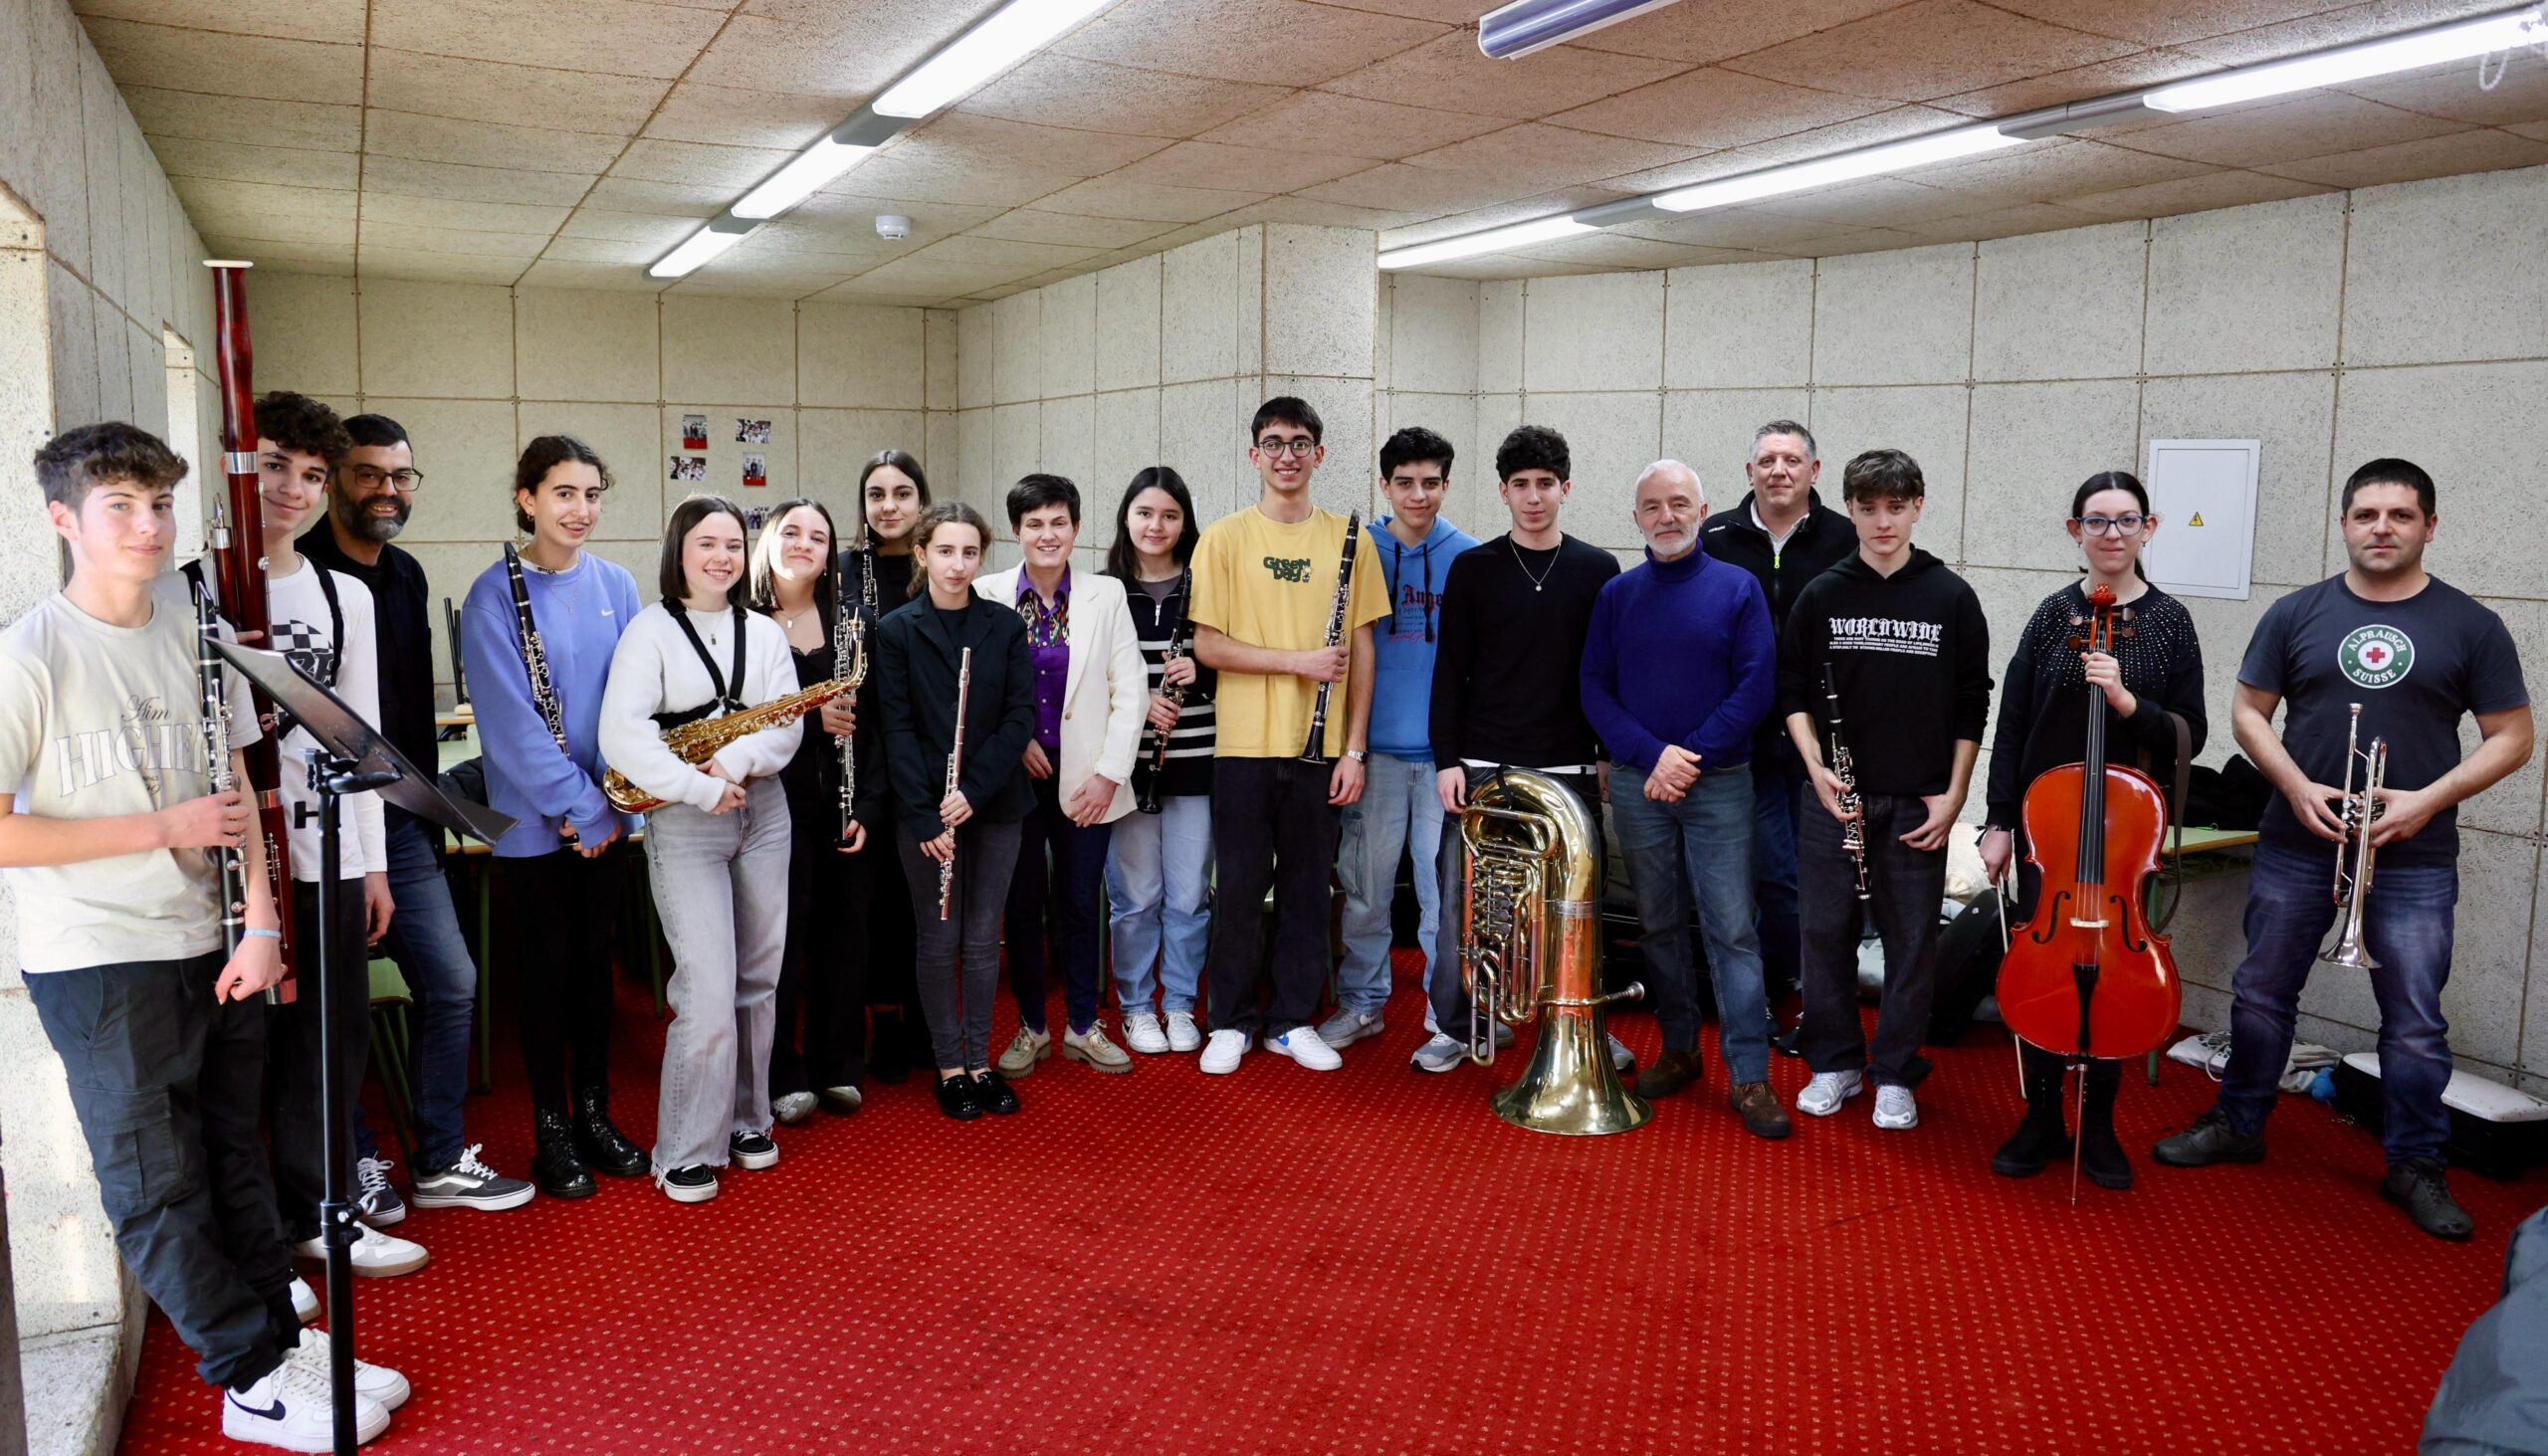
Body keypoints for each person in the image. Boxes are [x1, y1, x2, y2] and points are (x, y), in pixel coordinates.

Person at [3, 422, 405, 1450]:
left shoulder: (195, 628)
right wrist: (156, 829)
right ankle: (242, 1372)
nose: (147, 526)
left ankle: (278, 1334)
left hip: (214, 935)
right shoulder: (28, 654)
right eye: (119, 507)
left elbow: (238, 787)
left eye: (160, 505)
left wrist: (265, 921)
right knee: (154, 1177)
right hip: (98, 956)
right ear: (63, 520)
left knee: (235, 1145)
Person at [2155, 458, 2532, 1241]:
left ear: (2431, 525)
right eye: (2366, 514)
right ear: (2344, 523)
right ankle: (2239, 1121)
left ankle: (2416, 1163)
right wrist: (2293, 785)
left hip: (2414, 853)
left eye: (2400, 515)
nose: (2382, 528)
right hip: (2299, 838)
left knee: (2416, 1019)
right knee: (2262, 992)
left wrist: (2429, 800)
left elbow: (2515, 737)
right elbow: (2250, 712)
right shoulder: (2298, 613)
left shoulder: (2471, 625)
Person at [300, 412, 533, 1216]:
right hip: (324, 825)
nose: (388, 490)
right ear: (334, 478)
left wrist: (435, 815)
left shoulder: (403, 575)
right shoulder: (306, 573)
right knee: (340, 1005)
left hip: (401, 819)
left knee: (453, 981)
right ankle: (358, 1160)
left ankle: (436, 1159)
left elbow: (403, 718)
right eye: (369, 474)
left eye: (401, 476)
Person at [231, 392, 424, 1278]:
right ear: (241, 465)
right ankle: (256, 1235)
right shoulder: (201, 585)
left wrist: (376, 864)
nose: (295, 489)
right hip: (235, 867)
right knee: (243, 1059)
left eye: (312, 475)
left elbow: (366, 737)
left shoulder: (345, 594)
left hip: (331, 845)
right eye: (277, 466)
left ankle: (323, 1208)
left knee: (330, 1040)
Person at [1979, 472, 2206, 1191]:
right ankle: (2042, 1113)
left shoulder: (2169, 621)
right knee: (2046, 967)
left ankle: (2100, 1122)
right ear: (2073, 529)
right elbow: (2011, 724)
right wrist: (1998, 821)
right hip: (2047, 827)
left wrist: (2126, 699)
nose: (2112, 532)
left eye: (2126, 519)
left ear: (2150, 527)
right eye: (2097, 520)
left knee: (2113, 974)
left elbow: (2187, 734)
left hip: (2120, 839)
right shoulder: (2052, 616)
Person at [1779, 448, 1991, 1133]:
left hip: (1917, 799)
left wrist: (1955, 795)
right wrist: (1815, 767)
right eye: (1867, 508)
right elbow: (1791, 694)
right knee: (1823, 935)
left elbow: (1970, 705)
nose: (1882, 521)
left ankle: (1896, 1070)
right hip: (1834, 796)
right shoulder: (1823, 593)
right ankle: (1835, 1060)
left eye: (1895, 507)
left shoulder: (1951, 596)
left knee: (1911, 944)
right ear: (1849, 510)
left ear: (1917, 506)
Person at [600, 496, 802, 1204]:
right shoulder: (648, 631)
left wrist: (736, 765)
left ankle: (749, 1120)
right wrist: (697, 785)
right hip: (684, 817)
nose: (721, 556)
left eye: (732, 544)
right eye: (705, 543)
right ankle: (684, 1147)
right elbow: (622, 736)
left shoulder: (764, 631)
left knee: (758, 977)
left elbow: (788, 725)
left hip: (764, 809)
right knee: (707, 986)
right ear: (679, 551)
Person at [459, 436, 646, 1200]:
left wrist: (607, 804)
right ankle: (551, 1128)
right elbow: (508, 722)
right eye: (564, 493)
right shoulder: (492, 593)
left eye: (593, 494)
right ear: (526, 497)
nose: (581, 509)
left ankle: (596, 1113)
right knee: (545, 975)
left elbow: (636, 704)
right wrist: (576, 804)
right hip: (539, 825)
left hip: (606, 817)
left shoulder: (619, 583)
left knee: (593, 976)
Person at [1581, 460, 1786, 1139]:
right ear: (1636, 516)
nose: (1665, 516)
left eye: (1678, 503)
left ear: (1703, 511)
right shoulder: (1619, 594)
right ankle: (1678, 1049)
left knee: (1732, 929)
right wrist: (1652, 755)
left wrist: (1686, 756)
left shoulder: (1739, 587)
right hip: (1642, 784)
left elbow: (1756, 687)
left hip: (1719, 782)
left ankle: (1750, 1074)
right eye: (1651, 506)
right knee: (1660, 923)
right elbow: (1594, 688)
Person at [1411, 425, 1620, 1074]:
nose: (1534, 497)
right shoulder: (1473, 569)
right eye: (1521, 485)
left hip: (1572, 763)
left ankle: (1584, 1021)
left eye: (1546, 485)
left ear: (1566, 488)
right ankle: (1457, 1023)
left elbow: (1606, 670)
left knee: (1576, 907)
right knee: (1466, 907)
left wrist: (1607, 752)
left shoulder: (1597, 569)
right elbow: (1450, 673)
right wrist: (1448, 758)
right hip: (1484, 763)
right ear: (1503, 490)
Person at [1189, 396, 1387, 1075]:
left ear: (1318, 454)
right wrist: (1297, 662)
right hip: (1243, 745)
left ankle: (1292, 1020)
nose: (1287, 455)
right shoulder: (1222, 537)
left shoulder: (1350, 538)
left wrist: (1354, 748)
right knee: (1240, 886)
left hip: (1323, 749)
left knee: (1308, 888)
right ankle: (1230, 1021)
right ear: (1254, 455)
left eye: (1300, 442)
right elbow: (1209, 646)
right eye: (1273, 442)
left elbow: (1362, 650)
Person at [978, 475, 1149, 1077]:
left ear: (1075, 528)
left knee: (1078, 903)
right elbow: (975, 692)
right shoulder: (987, 593)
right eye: (1034, 524)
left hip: (1085, 782)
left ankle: (1082, 1025)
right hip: (1013, 781)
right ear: (1015, 531)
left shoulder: (1107, 595)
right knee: (1021, 905)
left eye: (1058, 522)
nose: (1047, 535)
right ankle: (1031, 1028)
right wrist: (1014, 739)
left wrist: (1108, 775)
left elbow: (1131, 693)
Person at [874, 502, 1039, 1120]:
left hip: (994, 806)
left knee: (980, 938)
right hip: (924, 812)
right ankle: (949, 1067)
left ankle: (980, 1062)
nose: (957, 564)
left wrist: (972, 790)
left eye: (969, 552)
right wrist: (925, 815)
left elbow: (1019, 718)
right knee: (938, 939)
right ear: (921, 554)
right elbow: (897, 729)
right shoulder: (895, 630)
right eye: (945, 551)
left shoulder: (1004, 626)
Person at [1697, 421, 1855, 1037]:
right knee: (1761, 872)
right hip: (1740, 738)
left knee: (1811, 877)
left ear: (1815, 472)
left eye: (1793, 460)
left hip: (1824, 737)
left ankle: (1806, 992)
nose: (1779, 470)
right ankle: (1765, 987)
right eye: (1767, 460)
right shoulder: (1715, 538)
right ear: (1749, 473)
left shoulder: (1846, 539)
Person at [1327, 427, 1477, 1052]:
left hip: (1446, 761)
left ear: (1446, 485)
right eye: (1405, 483)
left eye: (1431, 483)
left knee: (1446, 900)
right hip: (1376, 757)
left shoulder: (1470, 557)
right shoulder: (1355, 551)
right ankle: (1363, 1003)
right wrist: (1349, 749)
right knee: (1365, 890)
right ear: (1385, 485)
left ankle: (1447, 1013)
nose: (1418, 495)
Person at [749, 499, 882, 1124]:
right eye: (791, 532)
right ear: (767, 540)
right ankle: (782, 1069)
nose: (805, 544)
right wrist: (808, 715)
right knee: (782, 939)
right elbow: (730, 718)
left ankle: (839, 1065)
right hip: (774, 804)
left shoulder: (850, 619)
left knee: (846, 933)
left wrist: (871, 807)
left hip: (846, 802)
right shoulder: (743, 621)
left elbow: (879, 719)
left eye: (819, 536)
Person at [1102, 468, 1217, 1054]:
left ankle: (1178, 1002)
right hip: (1129, 767)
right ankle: (1136, 1007)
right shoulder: (1102, 590)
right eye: (1145, 513)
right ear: (1126, 518)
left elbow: (1231, 665)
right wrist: (1138, 707)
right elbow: (1086, 684)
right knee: (1136, 896)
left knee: (1189, 894)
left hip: (1195, 761)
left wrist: (1204, 672)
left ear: (1184, 523)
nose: (1156, 525)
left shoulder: (1208, 589)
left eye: (1170, 515)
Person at [841, 449, 931, 1083]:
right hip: (862, 755)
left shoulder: (944, 562)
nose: (889, 506)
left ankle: (928, 1022)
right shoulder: (841, 571)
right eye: (877, 495)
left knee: (921, 899)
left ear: (921, 501)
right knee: (871, 903)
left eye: (902, 493)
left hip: (928, 756)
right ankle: (884, 1024)